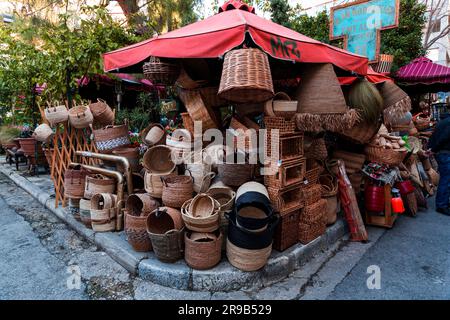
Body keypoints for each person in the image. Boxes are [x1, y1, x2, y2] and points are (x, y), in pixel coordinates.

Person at [428, 115, 450, 215]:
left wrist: (432, 148)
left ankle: (444, 202)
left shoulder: (443, 121)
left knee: (446, 179)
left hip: (443, 153)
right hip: (445, 153)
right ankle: (441, 205)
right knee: (446, 180)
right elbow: (443, 138)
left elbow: (434, 136)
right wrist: (433, 149)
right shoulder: (447, 122)